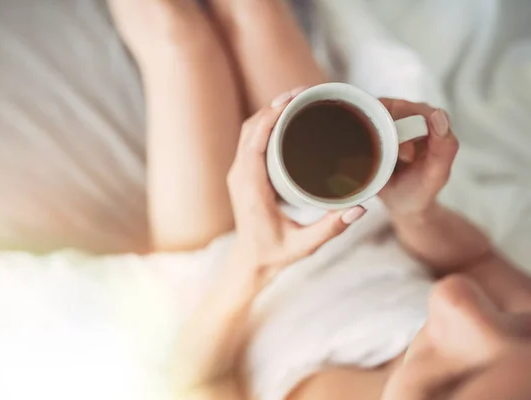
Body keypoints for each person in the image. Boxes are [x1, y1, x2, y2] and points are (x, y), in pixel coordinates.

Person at [106, 1, 531, 399]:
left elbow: (200, 377)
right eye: (519, 329)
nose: (455, 297)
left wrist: (256, 261)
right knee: (257, 10)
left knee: (179, 42)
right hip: (353, 215)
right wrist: (414, 211)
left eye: (449, 386)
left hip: (222, 262)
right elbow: (474, 263)